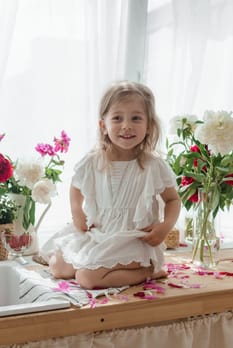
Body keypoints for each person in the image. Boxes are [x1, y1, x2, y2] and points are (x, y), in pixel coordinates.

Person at [42, 81, 181, 289]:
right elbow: (76, 187)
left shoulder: (153, 165)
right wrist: (77, 212)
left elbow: (172, 200)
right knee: (58, 267)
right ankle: (99, 264)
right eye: (117, 118)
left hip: (132, 239)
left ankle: (149, 269)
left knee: (87, 278)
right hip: (100, 233)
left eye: (136, 118)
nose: (126, 125)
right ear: (103, 126)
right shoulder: (93, 161)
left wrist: (165, 226)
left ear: (149, 125)